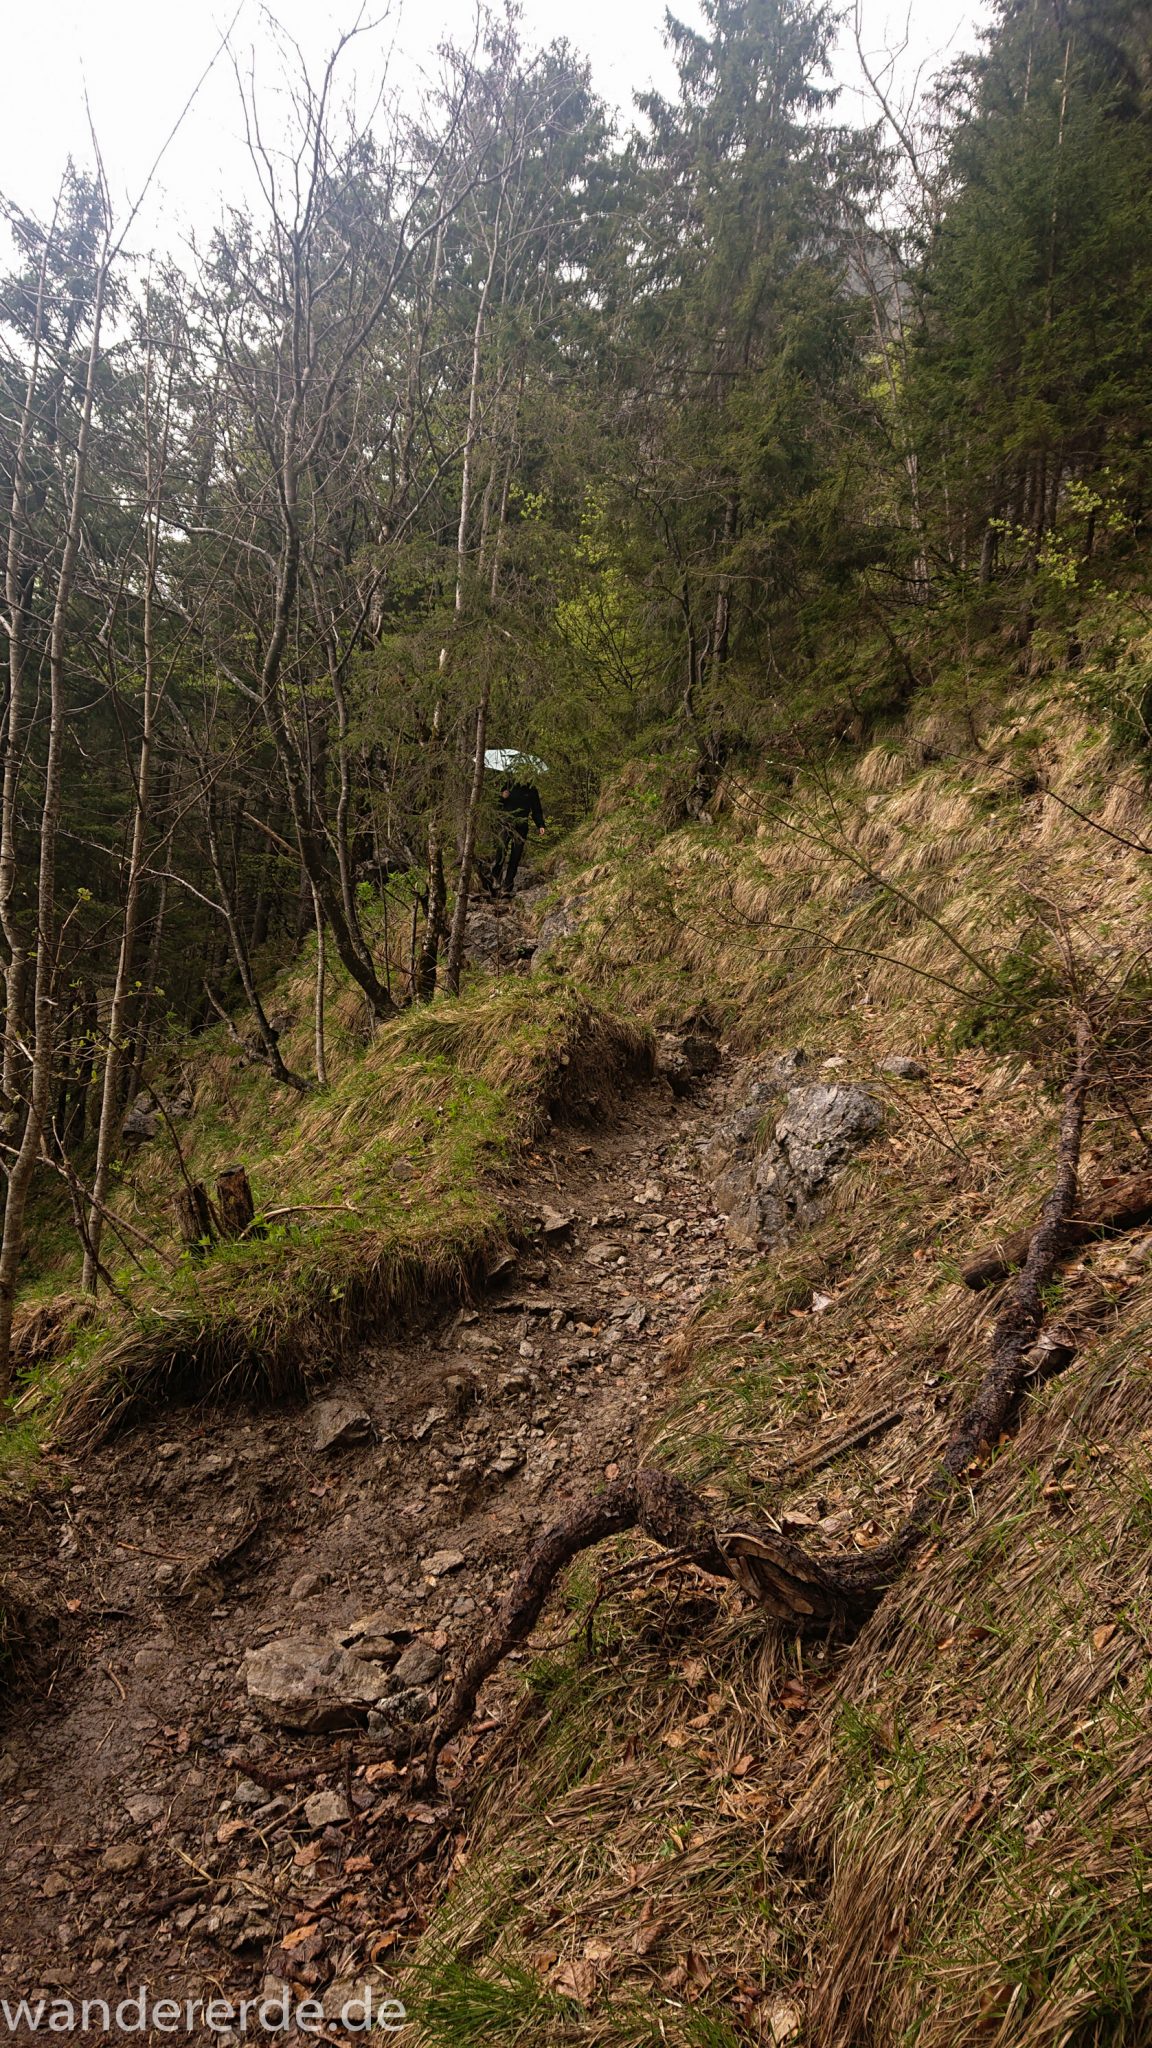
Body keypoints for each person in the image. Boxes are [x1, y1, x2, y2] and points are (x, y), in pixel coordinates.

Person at [492, 778, 545, 896]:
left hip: (522, 826)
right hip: (505, 824)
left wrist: (540, 825)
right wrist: (502, 797)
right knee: (501, 850)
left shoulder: (531, 789)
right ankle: (496, 878)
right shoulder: (508, 784)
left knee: (516, 856)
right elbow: (495, 804)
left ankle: (508, 885)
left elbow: (536, 809)